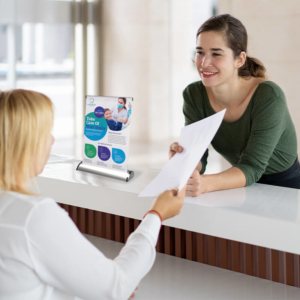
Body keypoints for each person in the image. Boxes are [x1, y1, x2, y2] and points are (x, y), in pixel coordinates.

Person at [0, 89, 186, 300]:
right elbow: (117, 287)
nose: (51, 141)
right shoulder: (33, 215)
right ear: (24, 144)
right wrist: (156, 215)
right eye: (45, 133)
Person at [169, 14, 300, 197]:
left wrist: (206, 184)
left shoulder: (269, 97)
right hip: (239, 180)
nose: (204, 63)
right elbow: (199, 156)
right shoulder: (194, 95)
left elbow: (252, 167)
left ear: (239, 60)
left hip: (284, 187)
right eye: (200, 52)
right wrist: (185, 161)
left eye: (216, 54)